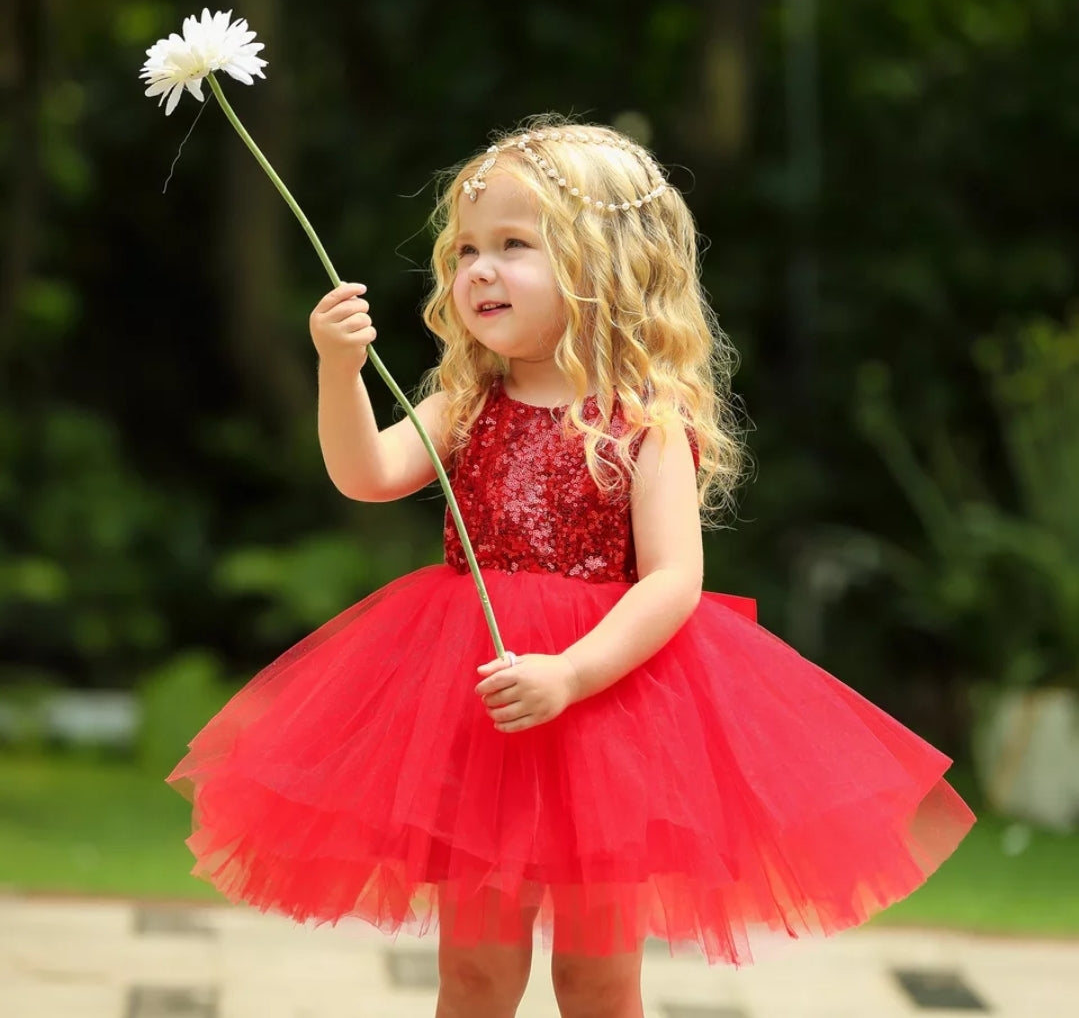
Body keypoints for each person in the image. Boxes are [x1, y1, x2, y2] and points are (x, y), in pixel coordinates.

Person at [168, 119, 975, 1018]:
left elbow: (673, 581)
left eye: (513, 246)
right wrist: (339, 371)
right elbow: (364, 475)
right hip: (475, 707)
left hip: (604, 710)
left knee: (597, 977)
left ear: (603, 268)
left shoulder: (642, 421)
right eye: (467, 248)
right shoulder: (462, 404)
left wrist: (571, 671)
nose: (478, 268)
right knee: (472, 973)